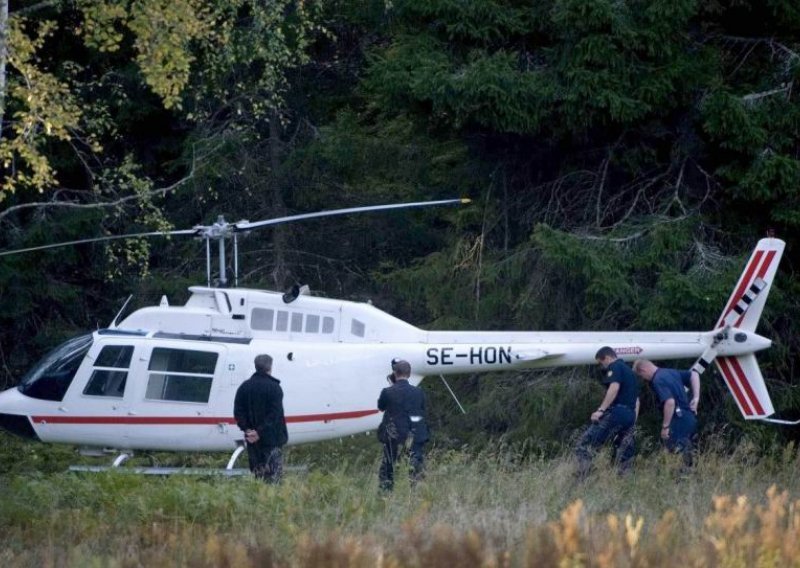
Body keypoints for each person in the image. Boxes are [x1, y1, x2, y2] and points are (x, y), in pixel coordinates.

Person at [575, 346, 640, 478]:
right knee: (624, 449)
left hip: (617, 412)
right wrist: (633, 419)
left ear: (608, 358)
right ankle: (625, 480)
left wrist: (601, 410)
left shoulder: (615, 366)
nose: (602, 366)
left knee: (585, 444)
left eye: (601, 362)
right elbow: (637, 399)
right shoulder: (631, 373)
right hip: (630, 415)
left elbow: (614, 387)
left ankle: (584, 478)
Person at [633, 359, 698, 468]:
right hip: (689, 417)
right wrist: (696, 398)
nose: (644, 379)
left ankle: (682, 480)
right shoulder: (670, 372)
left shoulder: (657, 379)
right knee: (688, 453)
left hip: (678, 420)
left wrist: (665, 426)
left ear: (643, 370)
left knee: (678, 456)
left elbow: (670, 402)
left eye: (642, 376)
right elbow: (694, 375)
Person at [233, 354, 288, 483]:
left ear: (256, 366)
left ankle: (259, 497)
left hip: (252, 440)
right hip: (272, 439)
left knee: (258, 475)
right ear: (270, 367)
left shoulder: (244, 387)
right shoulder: (275, 388)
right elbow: (275, 414)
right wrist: (260, 432)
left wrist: (248, 430)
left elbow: (238, 412)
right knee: (274, 477)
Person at [377, 359, 428, 491]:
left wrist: (391, 385)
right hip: (414, 434)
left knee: (388, 468)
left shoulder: (387, 392)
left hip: (393, 435)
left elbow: (381, 407)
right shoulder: (418, 392)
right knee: (415, 467)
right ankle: (417, 496)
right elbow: (421, 408)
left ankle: (386, 496)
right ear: (409, 374)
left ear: (395, 373)